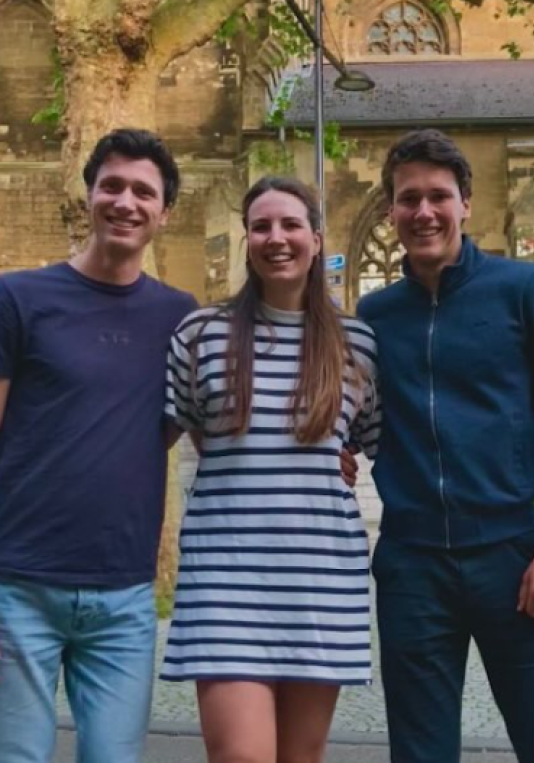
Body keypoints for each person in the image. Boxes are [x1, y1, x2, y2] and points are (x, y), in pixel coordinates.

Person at [0, 128, 197, 763]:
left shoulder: (181, 317)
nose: (126, 202)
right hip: (17, 590)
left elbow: (185, 422)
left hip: (124, 596)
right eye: (112, 186)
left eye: (144, 192)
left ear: (165, 212)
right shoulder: (20, 298)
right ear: (89, 195)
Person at [356, 130, 534, 763]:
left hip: (513, 558)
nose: (424, 212)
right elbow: (357, 417)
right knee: (420, 754)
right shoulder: (375, 315)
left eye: (438, 196)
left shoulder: (527, 290)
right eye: (408, 198)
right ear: (390, 210)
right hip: (412, 565)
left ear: (465, 203)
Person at [162, 177, 381, 763]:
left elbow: (370, 442)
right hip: (225, 578)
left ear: (316, 239)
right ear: (247, 240)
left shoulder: (358, 344)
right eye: (261, 226)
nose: (276, 238)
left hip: (320, 579)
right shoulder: (201, 334)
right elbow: (180, 431)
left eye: (290, 225)